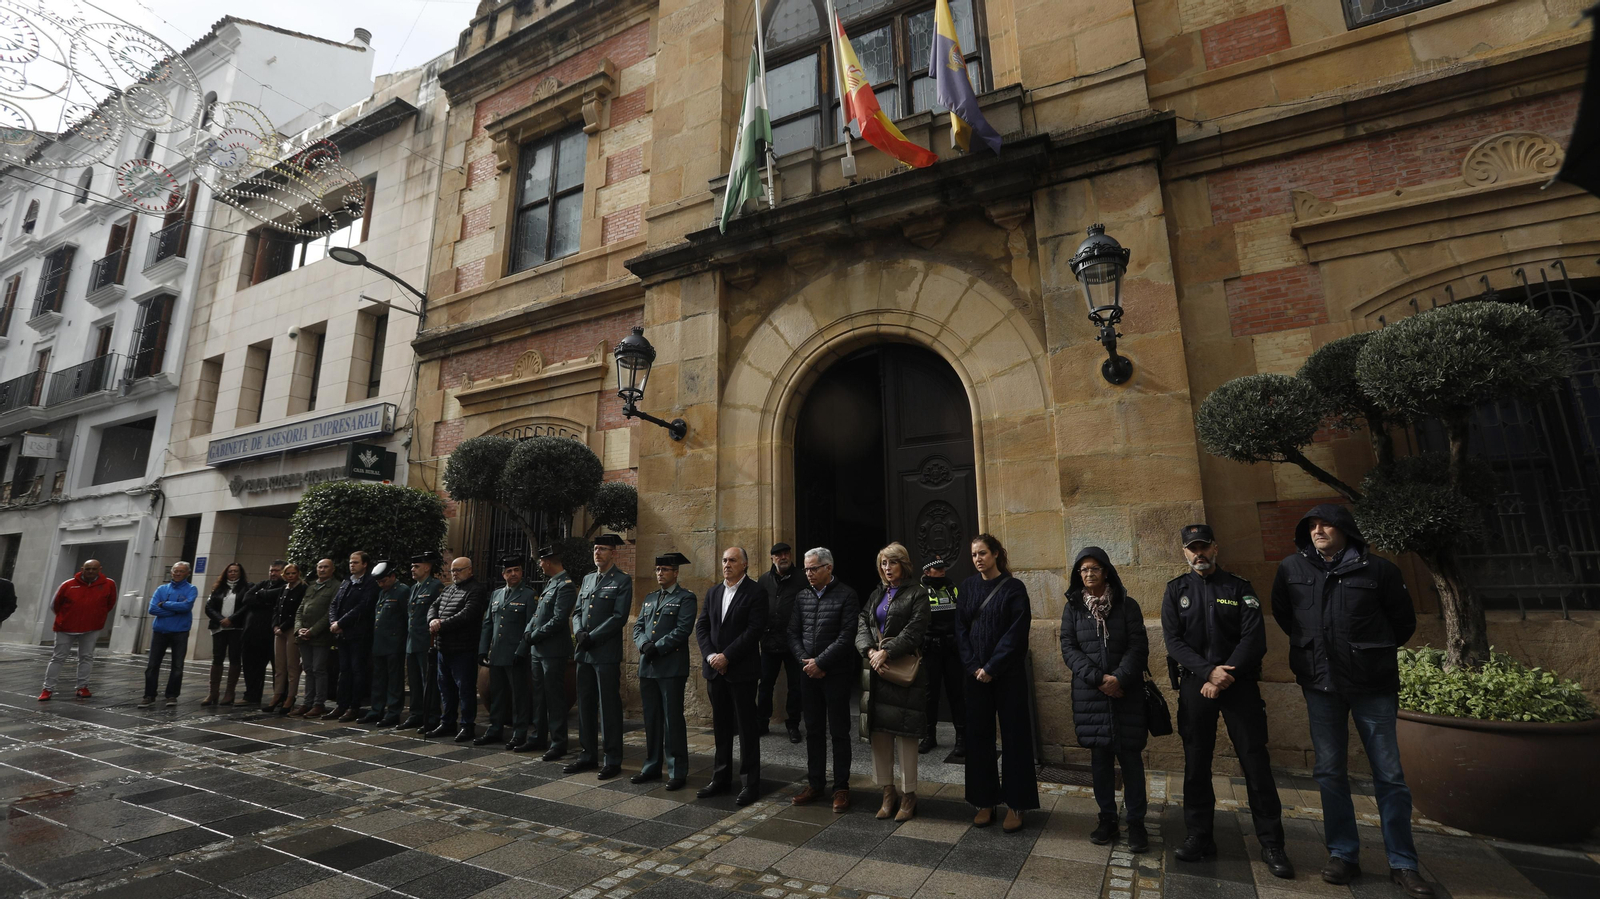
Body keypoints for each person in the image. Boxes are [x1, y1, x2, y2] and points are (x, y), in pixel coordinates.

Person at [1271, 505, 1433, 898]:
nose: (1318, 530)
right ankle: (1343, 853)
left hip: (1372, 685)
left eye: (1325, 524)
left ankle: (1403, 862)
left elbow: (1402, 624)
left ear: (1346, 530)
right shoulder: (1292, 569)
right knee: (1329, 771)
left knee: (1389, 775)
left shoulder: (1380, 571)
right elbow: (1284, 615)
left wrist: (1367, 652)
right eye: (1311, 525)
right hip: (1321, 683)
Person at [1163, 524, 1292, 879]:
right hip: (1196, 685)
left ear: (1215, 548)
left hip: (1238, 685)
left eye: (1204, 547)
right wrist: (1208, 673)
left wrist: (1224, 676)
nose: (1198, 553)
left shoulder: (1238, 587)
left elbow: (1254, 639)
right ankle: (1199, 836)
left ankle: (1272, 843)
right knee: (1195, 763)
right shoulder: (1176, 591)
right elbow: (1173, 642)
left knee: (1255, 762)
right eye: (1192, 548)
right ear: (1184, 553)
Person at [1060, 547, 1149, 852]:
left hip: (1126, 693)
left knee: (1131, 761)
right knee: (1100, 761)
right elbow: (1069, 648)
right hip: (1091, 695)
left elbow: (1138, 646)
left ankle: (1136, 822)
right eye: (1083, 570)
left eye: (1094, 568)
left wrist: (1118, 678)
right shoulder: (1073, 609)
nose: (1088, 574)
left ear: (1106, 571)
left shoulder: (1128, 606)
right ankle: (1107, 818)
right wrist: (1099, 680)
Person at [958, 534, 1038, 833]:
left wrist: (992, 667)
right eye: (974, 554)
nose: (978, 559)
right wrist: (973, 666)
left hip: (1007, 676)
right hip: (975, 676)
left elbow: (1017, 633)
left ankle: (1017, 804)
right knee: (979, 737)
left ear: (995, 555)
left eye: (982, 553)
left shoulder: (1014, 588)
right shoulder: (967, 587)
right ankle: (985, 800)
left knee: (1015, 737)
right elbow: (961, 629)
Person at [858, 543, 930, 822]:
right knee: (880, 734)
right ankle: (888, 792)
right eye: (883, 564)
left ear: (904, 564)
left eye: (892, 563)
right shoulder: (877, 593)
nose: (887, 569)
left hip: (902, 673)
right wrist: (870, 652)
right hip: (877, 672)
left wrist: (887, 651)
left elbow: (916, 629)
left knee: (907, 737)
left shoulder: (917, 594)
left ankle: (909, 794)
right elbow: (862, 622)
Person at [788, 546, 860, 813]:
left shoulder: (847, 595)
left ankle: (841, 788)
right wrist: (806, 662)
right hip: (809, 674)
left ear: (828, 568)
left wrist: (821, 662)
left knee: (839, 732)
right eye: (806, 569)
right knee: (813, 730)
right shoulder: (802, 596)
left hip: (836, 674)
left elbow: (847, 635)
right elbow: (793, 633)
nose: (808, 574)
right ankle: (815, 783)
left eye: (813, 568)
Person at [694, 546, 768, 806]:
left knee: (747, 729)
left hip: (742, 672)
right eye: (724, 560)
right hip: (715, 672)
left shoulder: (756, 591)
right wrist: (712, 656)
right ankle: (720, 778)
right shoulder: (714, 592)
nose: (727, 564)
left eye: (733, 560)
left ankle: (750, 783)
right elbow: (702, 626)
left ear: (745, 564)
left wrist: (728, 657)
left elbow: (754, 630)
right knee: (721, 727)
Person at [568, 534, 631, 779]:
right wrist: (578, 632)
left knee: (608, 708)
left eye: (603, 549)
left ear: (613, 553)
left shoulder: (622, 580)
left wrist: (592, 636)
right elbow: (578, 612)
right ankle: (587, 755)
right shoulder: (587, 579)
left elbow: (619, 617)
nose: (598, 553)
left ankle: (612, 758)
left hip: (605, 653)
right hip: (584, 653)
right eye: (595, 548)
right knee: (584, 706)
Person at [632, 552, 697, 789]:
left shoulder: (686, 598)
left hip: (670, 668)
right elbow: (638, 627)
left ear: (676, 572)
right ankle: (651, 766)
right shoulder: (649, 598)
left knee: (672, 721)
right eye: (658, 569)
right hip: (647, 668)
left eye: (666, 570)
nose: (660, 573)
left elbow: (682, 630)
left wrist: (656, 648)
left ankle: (677, 771)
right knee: (651, 720)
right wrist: (643, 644)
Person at [515, 544, 575, 757]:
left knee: (554, 698)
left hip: (553, 651)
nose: (539, 565)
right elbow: (538, 613)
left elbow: (559, 619)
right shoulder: (551, 583)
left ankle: (558, 743)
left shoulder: (565, 585)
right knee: (538, 697)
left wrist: (535, 635)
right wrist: (528, 631)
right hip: (538, 651)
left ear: (548, 561)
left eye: (541, 561)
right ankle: (538, 738)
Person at [426, 557, 487, 742]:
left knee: (465, 689)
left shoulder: (476, 590)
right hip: (443, 648)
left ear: (470, 570)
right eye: (453, 570)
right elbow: (434, 606)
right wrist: (432, 620)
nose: (454, 574)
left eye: (458, 570)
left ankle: (467, 726)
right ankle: (447, 723)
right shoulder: (449, 589)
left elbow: (467, 615)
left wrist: (441, 624)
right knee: (446, 688)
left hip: (463, 649)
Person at [478, 554, 535, 748]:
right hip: (497, 655)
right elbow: (488, 624)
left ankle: (519, 733)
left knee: (519, 696)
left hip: (516, 655)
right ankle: (495, 729)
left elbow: (530, 625)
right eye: (509, 571)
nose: (513, 574)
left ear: (521, 572)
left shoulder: (528, 595)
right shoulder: (496, 595)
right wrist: (483, 650)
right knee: (497, 695)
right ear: (503, 574)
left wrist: (522, 651)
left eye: (516, 570)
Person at [40, 559, 117, 701]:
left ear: (100, 569)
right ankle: (47, 689)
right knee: (58, 657)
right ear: (82, 569)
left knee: (86, 657)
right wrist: (66, 617)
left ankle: (82, 687)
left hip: (91, 628)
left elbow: (109, 604)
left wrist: (96, 617)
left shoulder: (109, 584)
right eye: (87, 569)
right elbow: (55, 605)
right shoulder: (68, 584)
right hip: (65, 627)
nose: (91, 572)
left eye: (94, 569)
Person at [756, 542, 805, 743]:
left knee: (796, 686)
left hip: (794, 642)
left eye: (786, 553)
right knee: (765, 684)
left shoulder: (802, 578)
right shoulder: (764, 580)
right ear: (772, 558)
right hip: (769, 641)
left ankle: (793, 724)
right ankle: (761, 722)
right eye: (778, 555)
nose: (783, 557)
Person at [919, 557, 965, 759]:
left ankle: (962, 738)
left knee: (956, 693)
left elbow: (962, 616)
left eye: (943, 568)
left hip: (952, 648)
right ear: (927, 572)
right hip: (931, 649)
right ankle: (929, 736)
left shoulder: (953, 588)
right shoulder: (920, 591)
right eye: (937, 569)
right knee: (931, 694)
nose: (942, 571)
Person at [326, 551, 378, 722]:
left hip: (358, 635)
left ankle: (354, 707)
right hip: (342, 635)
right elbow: (334, 603)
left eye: (356, 562)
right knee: (344, 671)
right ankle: (341, 705)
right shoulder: (347, 581)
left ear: (364, 564)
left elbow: (363, 607)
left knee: (357, 671)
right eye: (350, 562)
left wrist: (341, 623)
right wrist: (334, 622)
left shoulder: (370, 582)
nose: (352, 565)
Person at [141, 561, 197, 708]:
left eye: (181, 571)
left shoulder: (191, 589)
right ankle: (149, 695)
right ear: (171, 572)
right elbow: (152, 609)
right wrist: (175, 610)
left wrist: (165, 604)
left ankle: (172, 695)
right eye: (175, 570)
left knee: (177, 666)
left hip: (180, 632)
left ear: (187, 573)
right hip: (160, 631)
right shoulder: (161, 589)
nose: (177, 573)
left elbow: (187, 606)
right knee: (152, 665)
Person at [402, 552, 446, 731]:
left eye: (416, 566)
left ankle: (431, 716)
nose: (412, 569)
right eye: (412, 566)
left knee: (429, 681)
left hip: (427, 641)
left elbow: (437, 612)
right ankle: (416, 714)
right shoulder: (414, 588)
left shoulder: (435, 586)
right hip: (413, 641)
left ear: (427, 567)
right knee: (414, 681)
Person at [365, 562, 410, 726]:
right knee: (378, 680)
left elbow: (407, 619)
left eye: (383, 581)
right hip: (380, 643)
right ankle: (376, 710)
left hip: (394, 644)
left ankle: (393, 713)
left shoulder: (402, 591)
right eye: (378, 582)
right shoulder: (383, 592)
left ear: (392, 576)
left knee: (394, 681)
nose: (381, 584)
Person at [292, 559, 338, 718]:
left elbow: (329, 613)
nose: (322, 570)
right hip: (304, 636)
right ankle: (307, 702)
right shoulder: (311, 586)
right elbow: (300, 610)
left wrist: (313, 631)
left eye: (326, 567)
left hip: (320, 637)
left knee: (319, 669)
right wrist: (298, 629)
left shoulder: (335, 587)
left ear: (332, 569)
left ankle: (319, 703)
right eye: (320, 567)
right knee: (308, 669)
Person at [202, 562, 249, 706]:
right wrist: (221, 619)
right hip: (219, 628)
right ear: (226, 573)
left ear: (240, 573)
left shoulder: (247, 588)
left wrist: (231, 619)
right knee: (217, 658)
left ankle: (230, 692)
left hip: (237, 628)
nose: (233, 573)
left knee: (235, 659)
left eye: (235, 571)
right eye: (230, 571)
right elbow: (209, 607)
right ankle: (213, 692)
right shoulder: (218, 589)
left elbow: (246, 606)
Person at [240, 561, 285, 709]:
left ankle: (280, 697)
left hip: (273, 634)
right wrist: (266, 600)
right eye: (271, 570)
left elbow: (278, 601)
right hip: (253, 633)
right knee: (251, 666)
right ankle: (252, 695)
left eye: (277, 571)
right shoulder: (262, 584)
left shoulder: (285, 587)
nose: (273, 573)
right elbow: (247, 599)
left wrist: (260, 597)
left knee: (278, 669)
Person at [266, 563, 307, 713]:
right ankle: (277, 695)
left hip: (291, 629)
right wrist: (275, 625)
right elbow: (277, 609)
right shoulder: (284, 589)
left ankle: (290, 696)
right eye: (288, 573)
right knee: (279, 665)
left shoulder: (302, 588)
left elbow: (298, 611)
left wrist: (282, 627)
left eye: (293, 573)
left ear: (298, 574)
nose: (290, 576)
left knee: (292, 666)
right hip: (279, 630)